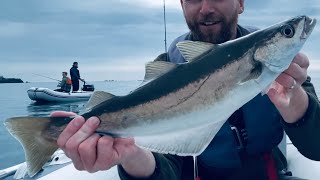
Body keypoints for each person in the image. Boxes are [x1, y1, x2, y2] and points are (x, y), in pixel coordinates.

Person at [53, 0, 320, 179]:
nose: (205, 8)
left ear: (240, 2)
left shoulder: (287, 69)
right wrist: (131, 156)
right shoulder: (167, 68)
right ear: (182, 5)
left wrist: (296, 102)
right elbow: (167, 170)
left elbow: (317, 148)